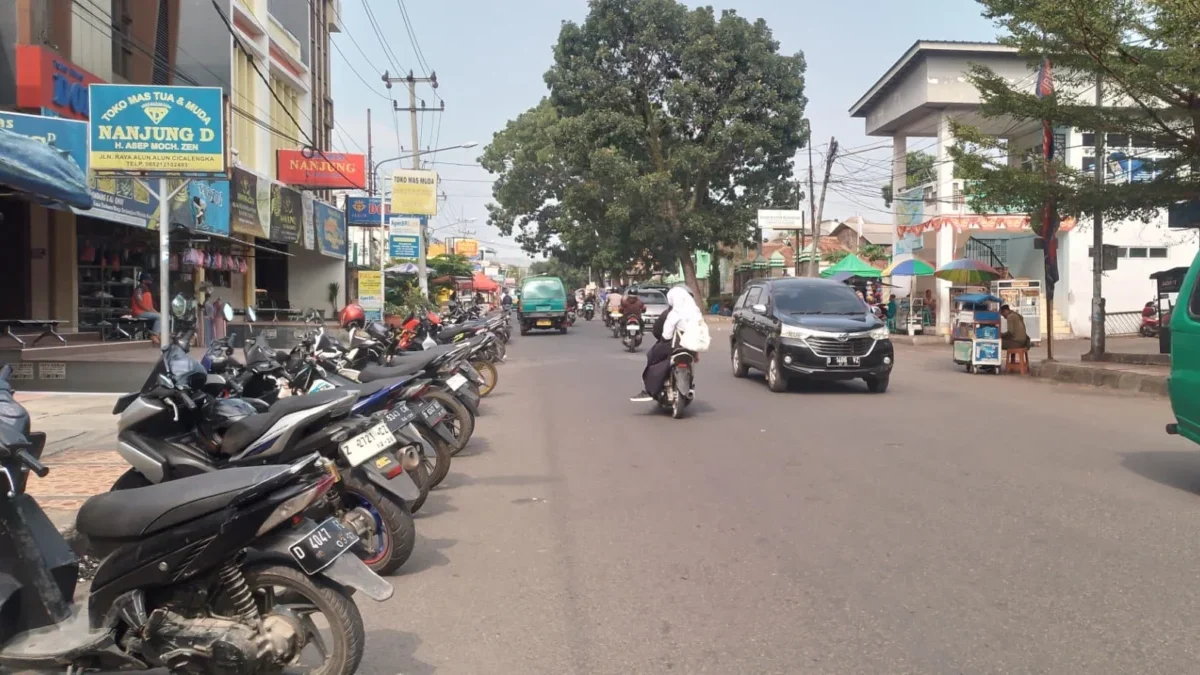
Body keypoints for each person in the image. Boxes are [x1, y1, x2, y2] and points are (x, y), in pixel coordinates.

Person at [631, 286, 701, 402]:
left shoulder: (672, 313)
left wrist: (662, 340)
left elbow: (661, 333)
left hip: (672, 346)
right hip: (691, 348)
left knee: (652, 356)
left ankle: (650, 390)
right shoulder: (696, 313)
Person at [131, 273, 162, 345]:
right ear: (144, 281)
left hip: (145, 312)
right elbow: (138, 301)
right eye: (149, 280)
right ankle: (154, 335)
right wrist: (147, 310)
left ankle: (159, 334)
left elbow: (150, 307)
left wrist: (157, 313)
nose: (150, 282)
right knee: (160, 317)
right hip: (139, 312)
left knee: (164, 316)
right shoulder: (140, 288)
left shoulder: (147, 290)